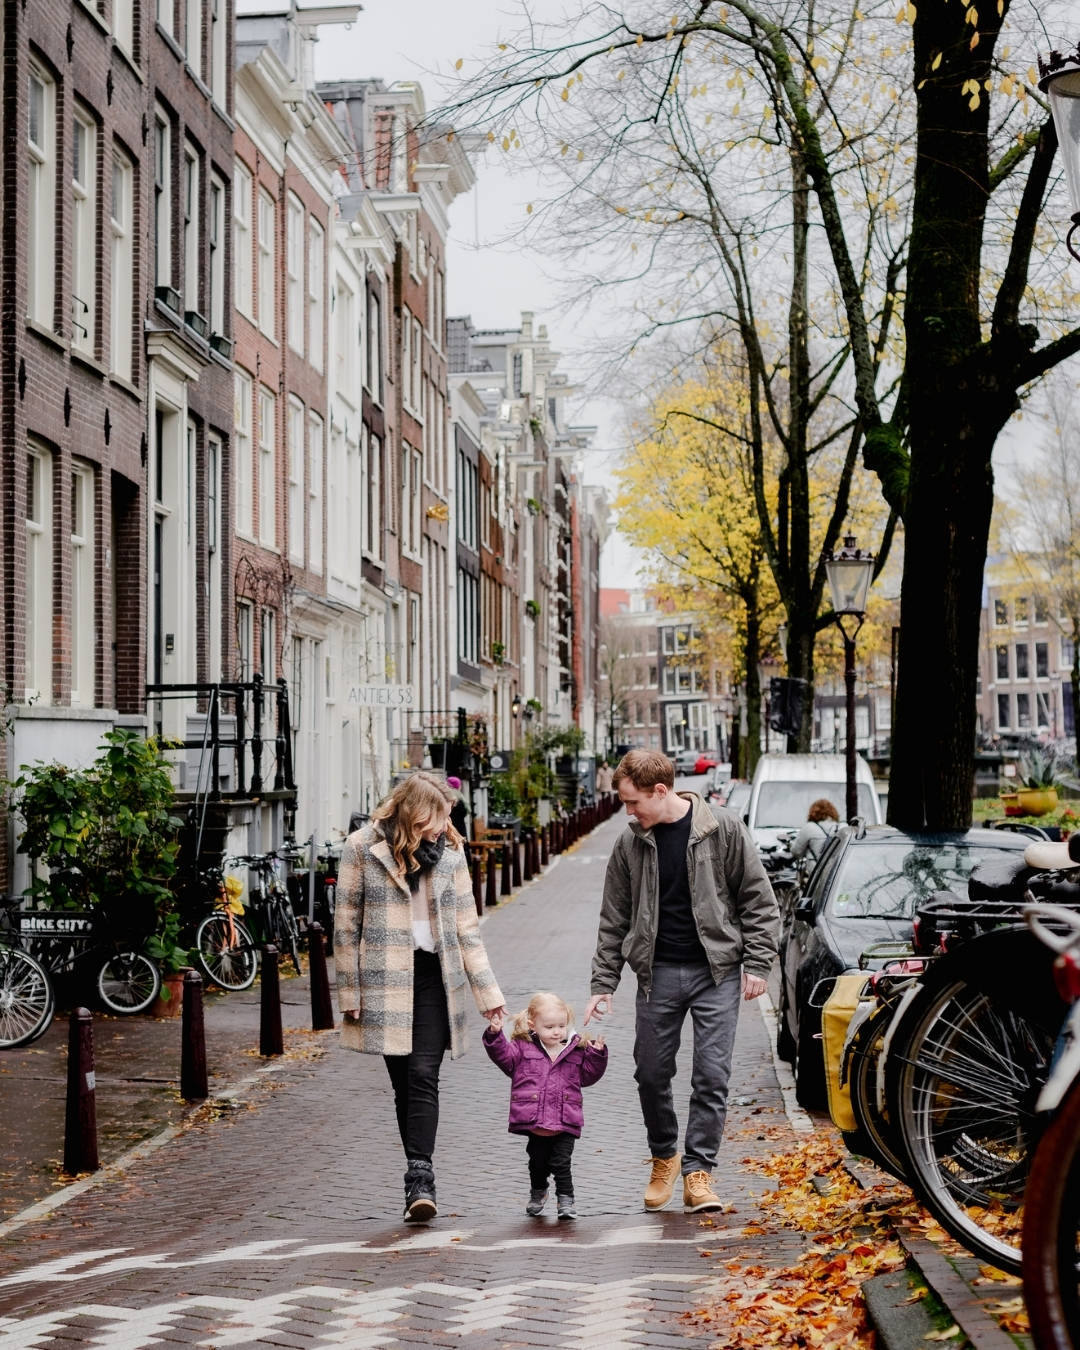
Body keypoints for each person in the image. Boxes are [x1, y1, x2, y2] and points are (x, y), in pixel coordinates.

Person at [583, 749, 778, 1214]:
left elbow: (757, 899)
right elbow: (614, 918)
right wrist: (603, 983)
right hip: (658, 974)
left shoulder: (722, 828)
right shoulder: (630, 843)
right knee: (650, 1073)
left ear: (660, 791)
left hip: (717, 973)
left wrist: (758, 963)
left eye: (633, 802)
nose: (629, 812)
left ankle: (698, 1171)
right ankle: (665, 1154)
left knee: (711, 1076)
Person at [335, 771, 506, 1223]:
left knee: (423, 1073)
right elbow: (346, 925)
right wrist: (350, 991)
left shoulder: (451, 851)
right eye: (438, 817)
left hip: (433, 974)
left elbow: (467, 928)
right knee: (403, 1082)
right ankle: (417, 1171)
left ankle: (420, 1178)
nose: (444, 826)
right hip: (383, 976)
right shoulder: (361, 847)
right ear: (414, 814)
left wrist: (487, 993)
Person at [483, 992, 608, 1220]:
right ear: (533, 1025)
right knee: (537, 1162)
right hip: (536, 1122)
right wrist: (495, 1035)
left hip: (565, 1120)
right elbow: (504, 1058)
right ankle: (538, 1191)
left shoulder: (576, 1048)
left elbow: (588, 1076)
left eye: (561, 1025)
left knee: (562, 1163)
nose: (557, 1031)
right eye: (549, 1027)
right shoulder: (522, 1047)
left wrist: (597, 1055)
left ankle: (566, 1199)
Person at [790, 798, 840, 863]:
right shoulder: (840, 827)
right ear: (833, 812)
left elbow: (796, 852)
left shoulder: (809, 827)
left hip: (814, 868)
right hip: (834, 868)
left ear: (813, 812)